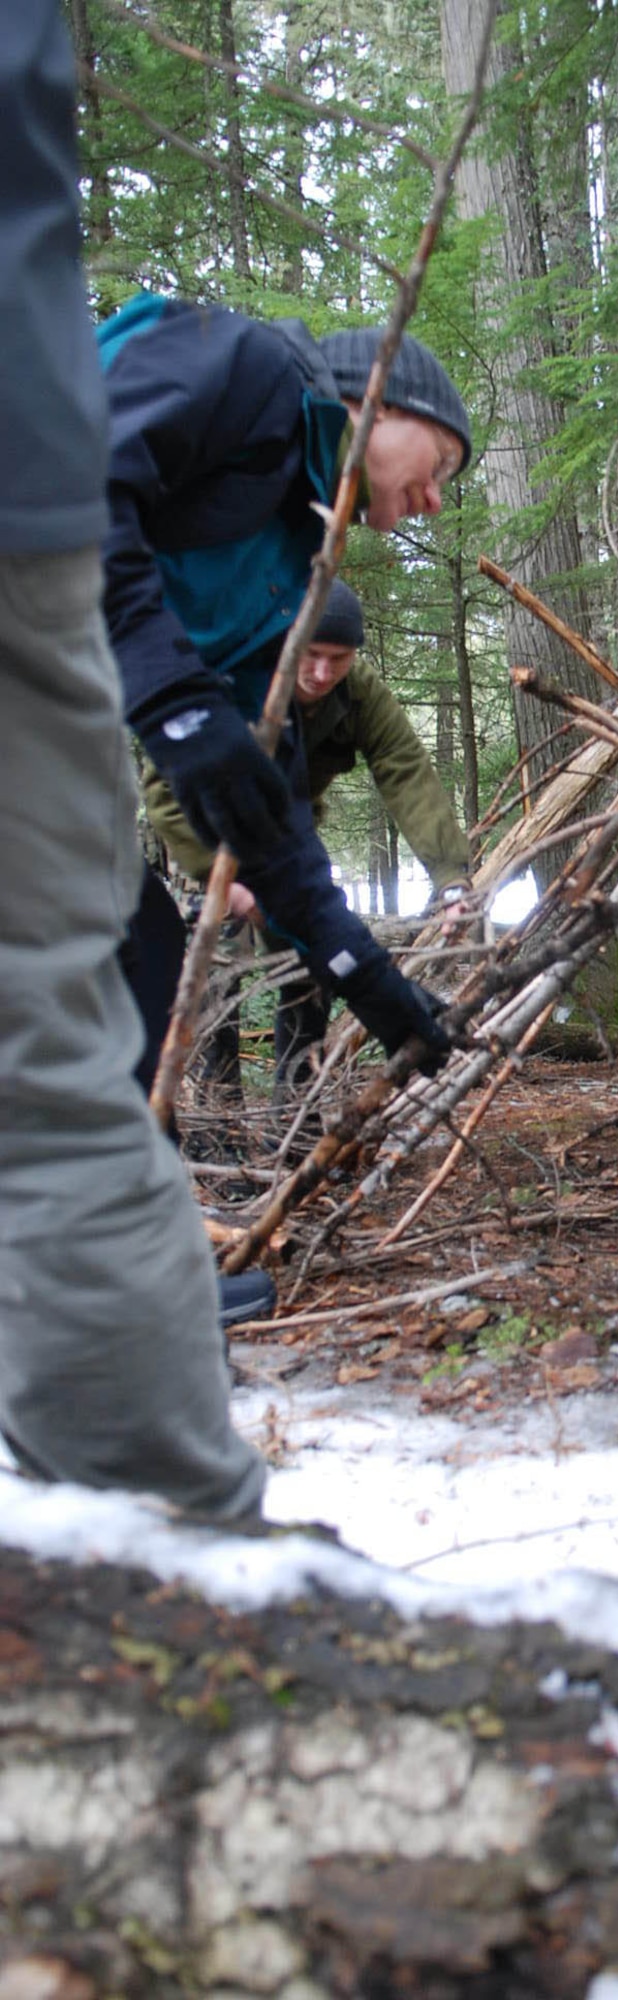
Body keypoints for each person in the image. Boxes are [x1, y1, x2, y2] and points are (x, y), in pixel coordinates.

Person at [0, 3, 264, 1517]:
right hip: (24, 517)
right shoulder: (242, 386)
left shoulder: (292, 571)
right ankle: (187, 1557)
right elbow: (176, 715)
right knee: (56, 1051)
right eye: (435, 468)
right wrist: (176, 735)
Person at [102, 296, 471, 1101]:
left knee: (141, 964)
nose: (435, 499)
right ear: (380, 398)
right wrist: (177, 705)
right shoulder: (249, 368)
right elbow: (64, 473)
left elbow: (265, 805)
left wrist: (367, 978)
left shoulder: (282, 567)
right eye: (439, 464)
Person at [143, 579, 474, 1102]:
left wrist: (451, 878)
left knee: (311, 969)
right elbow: (164, 792)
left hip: (290, 849)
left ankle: (293, 1118)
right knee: (218, 979)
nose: (322, 674)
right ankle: (219, 1121)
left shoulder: (357, 690)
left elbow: (405, 768)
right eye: (311, 655)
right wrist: (225, 882)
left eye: (337, 658)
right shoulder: (230, 678)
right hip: (213, 842)